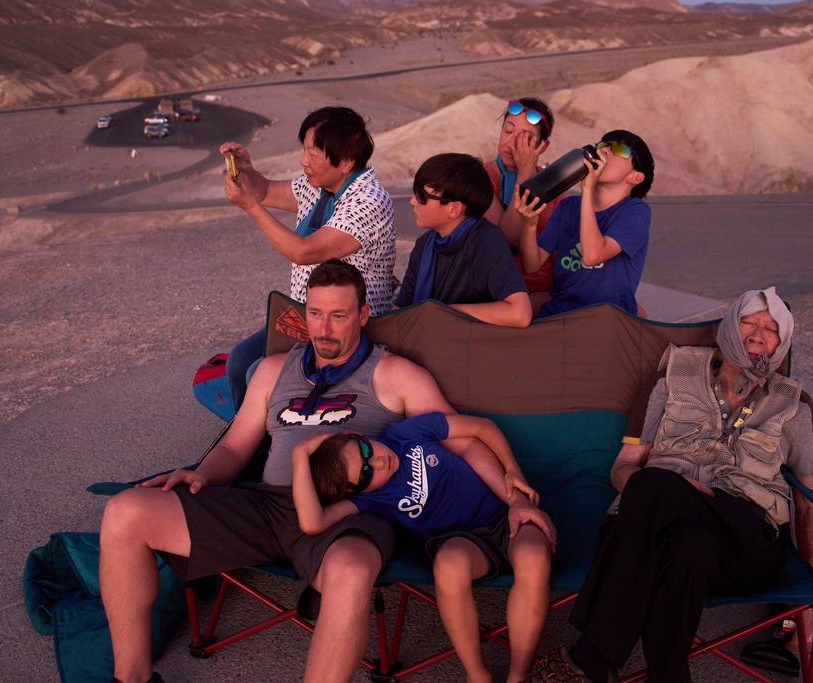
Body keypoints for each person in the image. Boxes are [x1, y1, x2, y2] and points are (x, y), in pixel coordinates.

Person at [99, 260, 555, 683]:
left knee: (352, 570)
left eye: (338, 315)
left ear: (363, 314)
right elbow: (236, 446)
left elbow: (465, 441)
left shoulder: (394, 374)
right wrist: (200, 474)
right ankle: (132, 678)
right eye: (315, 314)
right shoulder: (273, 370)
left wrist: (512, 498)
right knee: (125, 513)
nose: (324, 328)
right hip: (268, 503)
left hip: (349, 513)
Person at [523, 287, 813, 683]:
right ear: (728, 326)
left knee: (657, 490)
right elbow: (622, 469)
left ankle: (592, 657)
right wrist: (673, 492)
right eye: (749, 321)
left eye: (771, 329)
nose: (757, 334)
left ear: (781, 343)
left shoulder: (794, 406)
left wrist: (812, 595)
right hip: (662, 531)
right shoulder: (672, 377)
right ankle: (669, 675)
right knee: (684, 540)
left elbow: (809, 505)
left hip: (741, 539)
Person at [294, 412, 554, 683]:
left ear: (354, 435)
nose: (380, 462)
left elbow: (481, 427)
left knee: (533, 555)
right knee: (449, 566)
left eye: (365, 449)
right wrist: (299, 453)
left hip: (506, 512)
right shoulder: (372, 500)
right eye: (366, 473)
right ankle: (477, 675)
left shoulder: (404, 434)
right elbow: (313, 522)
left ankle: (518, 676)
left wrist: (512, 472)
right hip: (463, 540)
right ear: (354, 492)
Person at [220, 106, 396, 410]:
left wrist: (250, 207)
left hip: (347, 323)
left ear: (346, 162)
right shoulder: (321, 186)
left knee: (256, 373)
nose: (304, 161)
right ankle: (248, 437)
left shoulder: (368, 201)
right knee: (238, 363)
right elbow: (264, 192)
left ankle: (270, 442)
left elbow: (303, 251)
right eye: (304, 150)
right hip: (306, 315)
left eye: (313, 154)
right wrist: (246, 170)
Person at [514, 130, 654, 319]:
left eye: (619, 149)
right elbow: (531, 265)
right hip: (560, 315)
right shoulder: (568, 207)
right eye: (603, 144)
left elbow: (592, 255)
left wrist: (587, 189)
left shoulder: (635, 212)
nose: (604, 150)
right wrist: (529, 225)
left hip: (607, 321)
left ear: (635, 177)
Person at [394, 153, 532, 328]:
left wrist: (447, 312)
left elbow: (520, 313)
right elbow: (403, 310)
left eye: (422, 196)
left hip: (471, 348)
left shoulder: (486, 241)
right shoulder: (424, 245)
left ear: (454, 209)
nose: (413, 201)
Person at [482, 97, 563, 310]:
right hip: (492, 292)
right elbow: (507, 238)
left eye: (525, 138)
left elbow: (561, 256)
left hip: (542, 294)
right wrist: (525, 172)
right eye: (508, 131)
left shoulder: (554, 187)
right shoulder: (480, 178)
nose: (512, 143)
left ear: (542, 146)